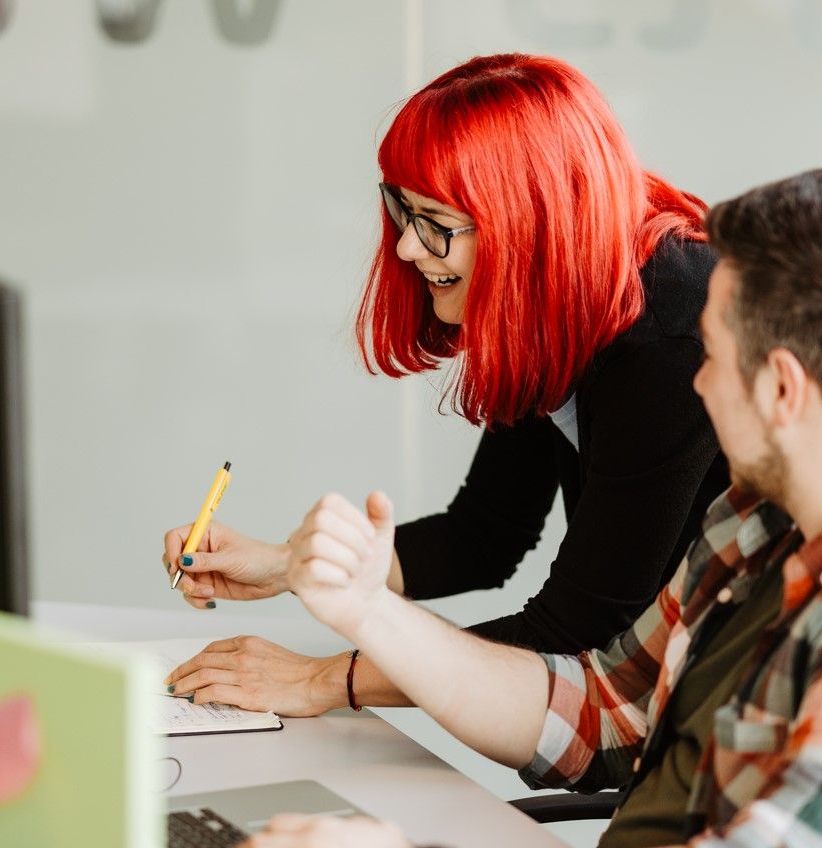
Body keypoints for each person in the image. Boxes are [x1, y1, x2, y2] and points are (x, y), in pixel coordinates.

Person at [238, 169, 822, 848]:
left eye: (712, 354)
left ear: (782, 388)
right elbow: (601, 708)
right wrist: (366, 613)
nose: (696, 380)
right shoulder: (766, 519)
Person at [163, 53, 729, 715]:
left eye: (437, 223)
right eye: (404, 213)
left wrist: (324, 681)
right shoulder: (555, 299)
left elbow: (577, 632)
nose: (406, 248)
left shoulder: (671, 333)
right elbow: (484, 535)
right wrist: (288, 565)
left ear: (532, 221)